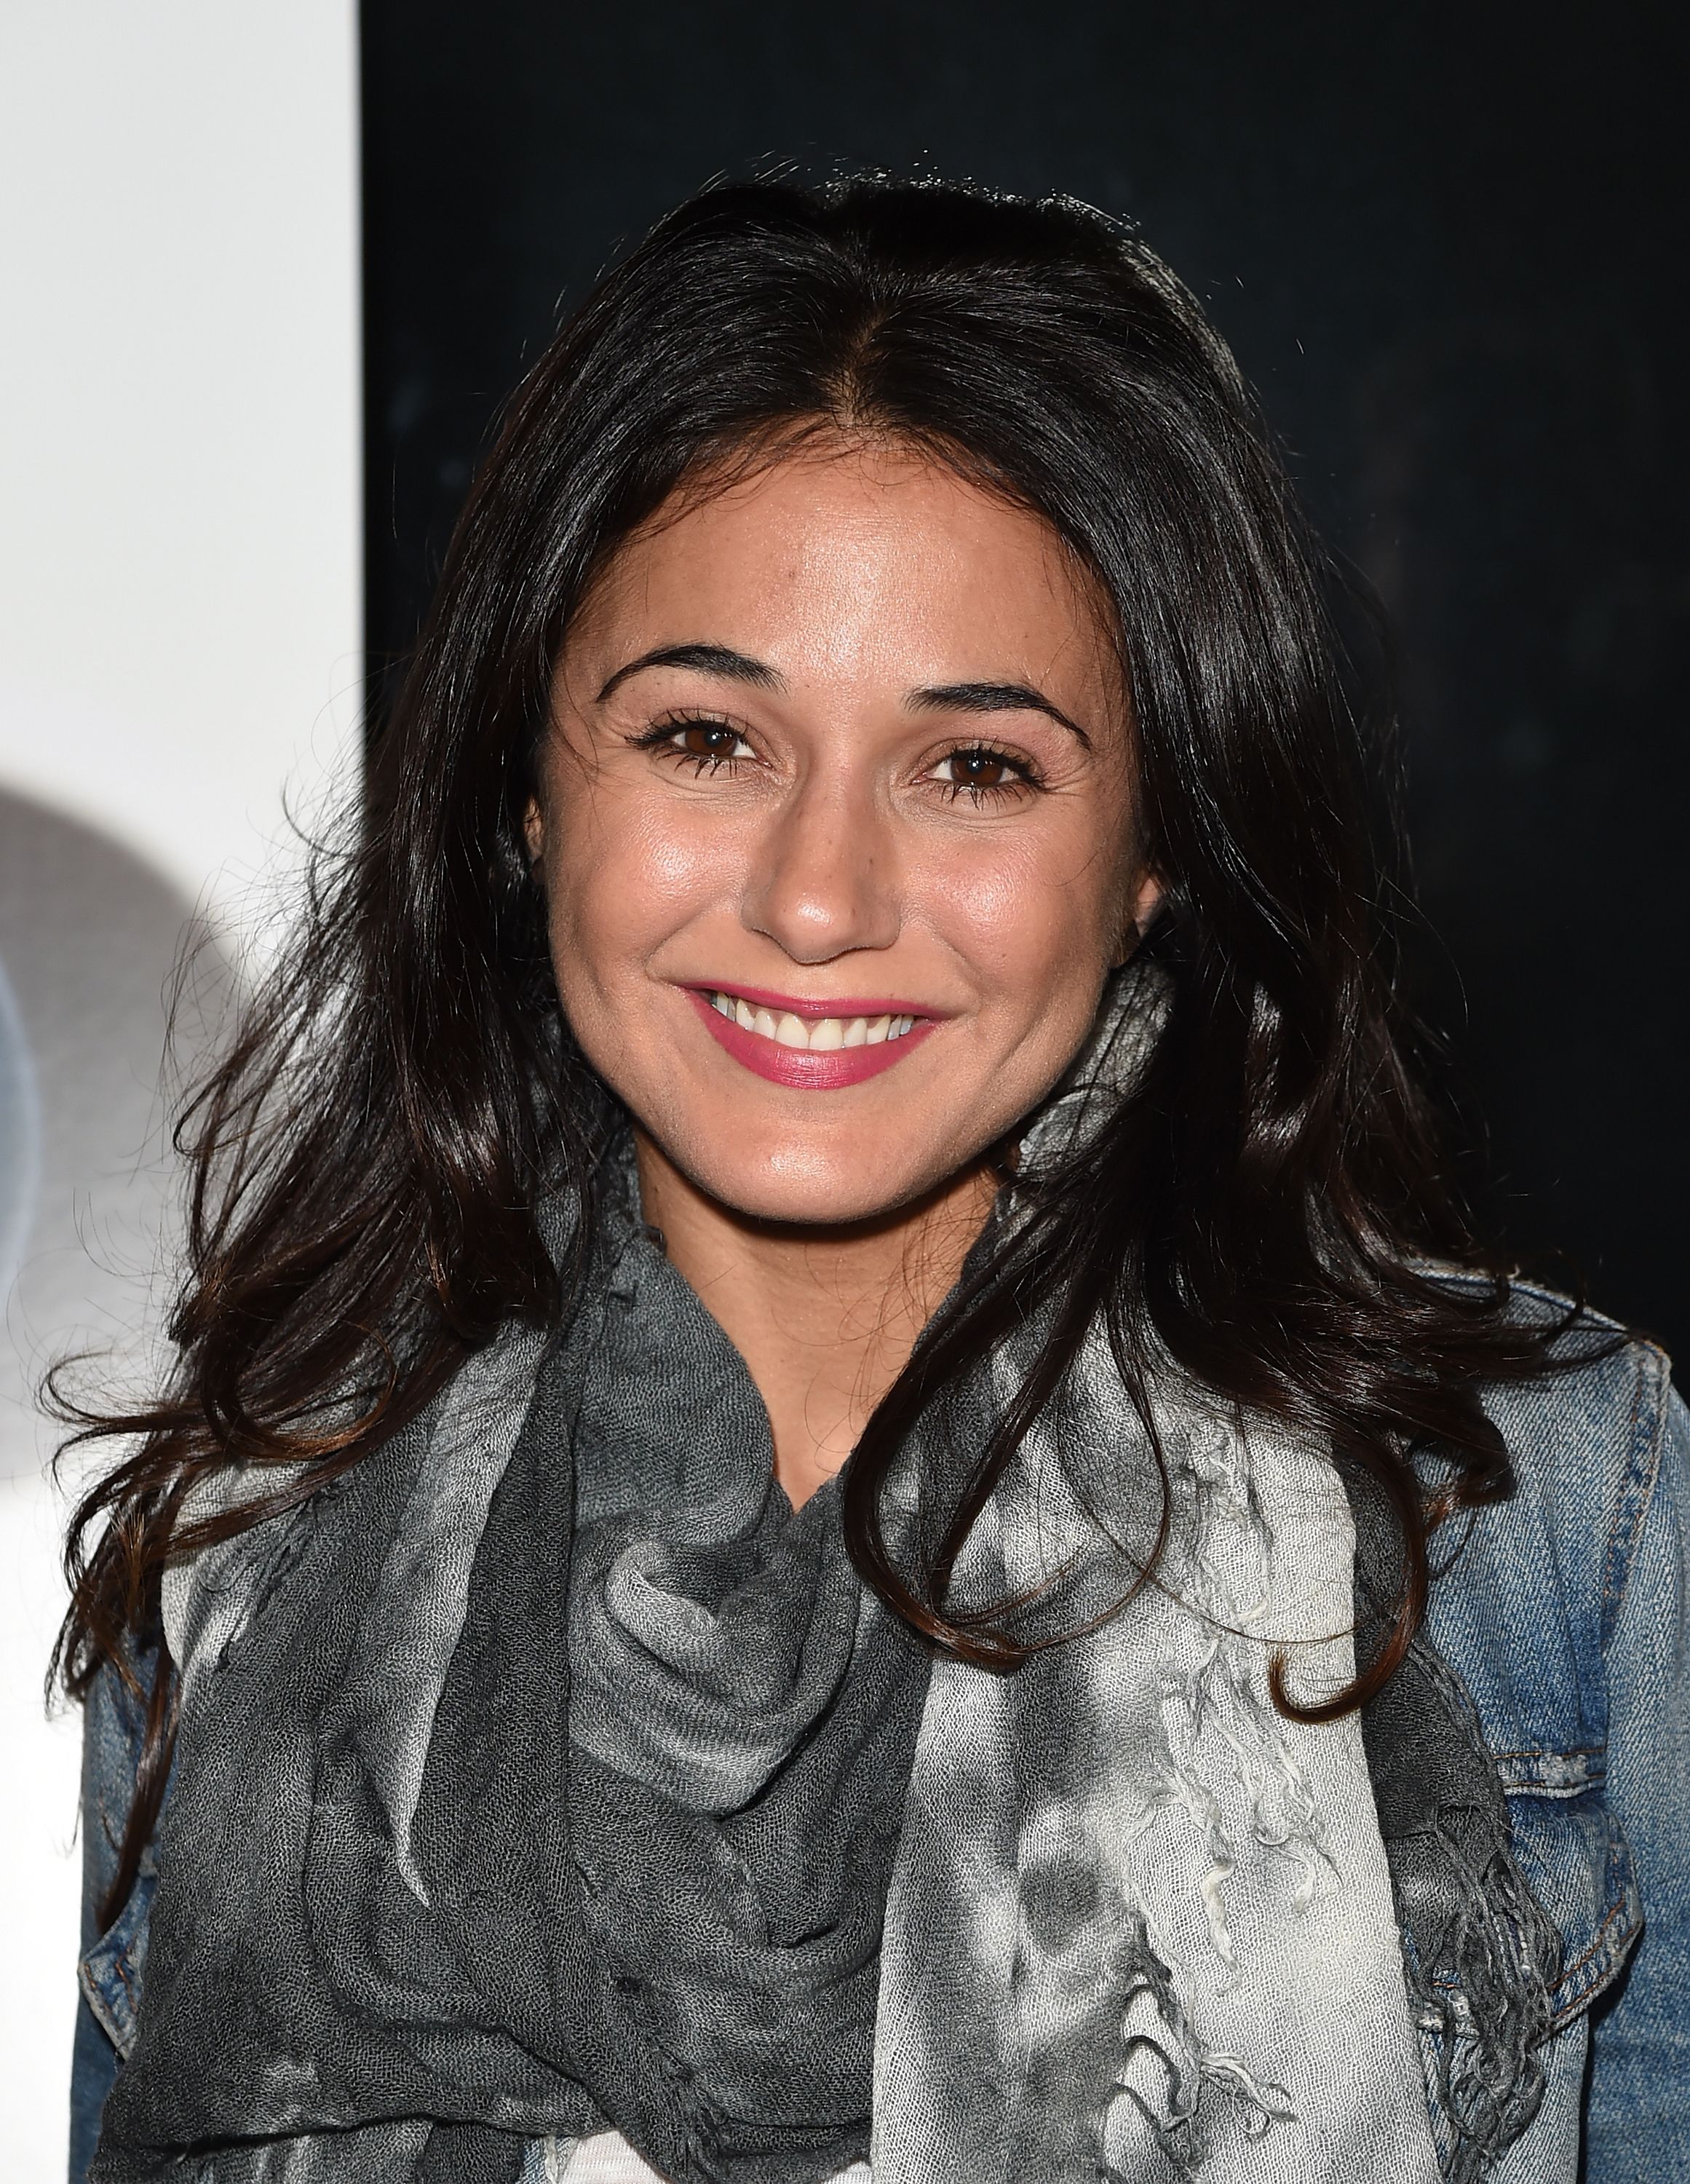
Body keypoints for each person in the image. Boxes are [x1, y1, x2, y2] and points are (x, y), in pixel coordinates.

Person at [58, 177, 1686, 2184]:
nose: (818, 898)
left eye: (974, 767)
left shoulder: (1542, 1522)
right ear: (527, 786)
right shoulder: (266, 1528)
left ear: (1159, 849)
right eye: (706, 738)